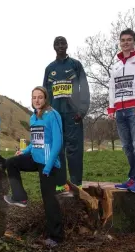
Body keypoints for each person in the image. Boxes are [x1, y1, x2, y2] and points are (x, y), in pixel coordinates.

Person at [3, 86, 64, 248]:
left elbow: (58, 142)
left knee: (49, 200)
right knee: (11, 162)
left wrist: (48, 166)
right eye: (34, 97)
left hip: (48, 163)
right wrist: (24, 150)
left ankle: (56, 237)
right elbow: (36, 141)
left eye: (40, 97)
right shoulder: (33, 117)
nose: (37, 100)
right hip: (35, 158)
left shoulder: (53, 115)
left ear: (45, 99)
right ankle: (20, 196)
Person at [43, 36, 90, 196]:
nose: (60, 46)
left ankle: (77, 184)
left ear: (67, 45)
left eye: (63, 43)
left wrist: (82, 111)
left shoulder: (75, 65)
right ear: (54, 47)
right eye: (57, 43)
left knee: (74, 151)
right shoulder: (50, 68)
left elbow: (84, 88)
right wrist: (45, 112)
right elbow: (45, 92)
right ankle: (60, 184)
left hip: (73, 116)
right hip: (55, 116)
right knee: (57, 149)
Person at [109, 29, 135, 194]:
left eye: (129, 40)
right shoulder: (116, 65)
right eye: (123, 40)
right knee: (127, 147)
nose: (126, 42)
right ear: (120, 42)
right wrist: (111, 108)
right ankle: (133, 178)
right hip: (120, 111)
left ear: (134, 42)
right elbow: (112, 87)